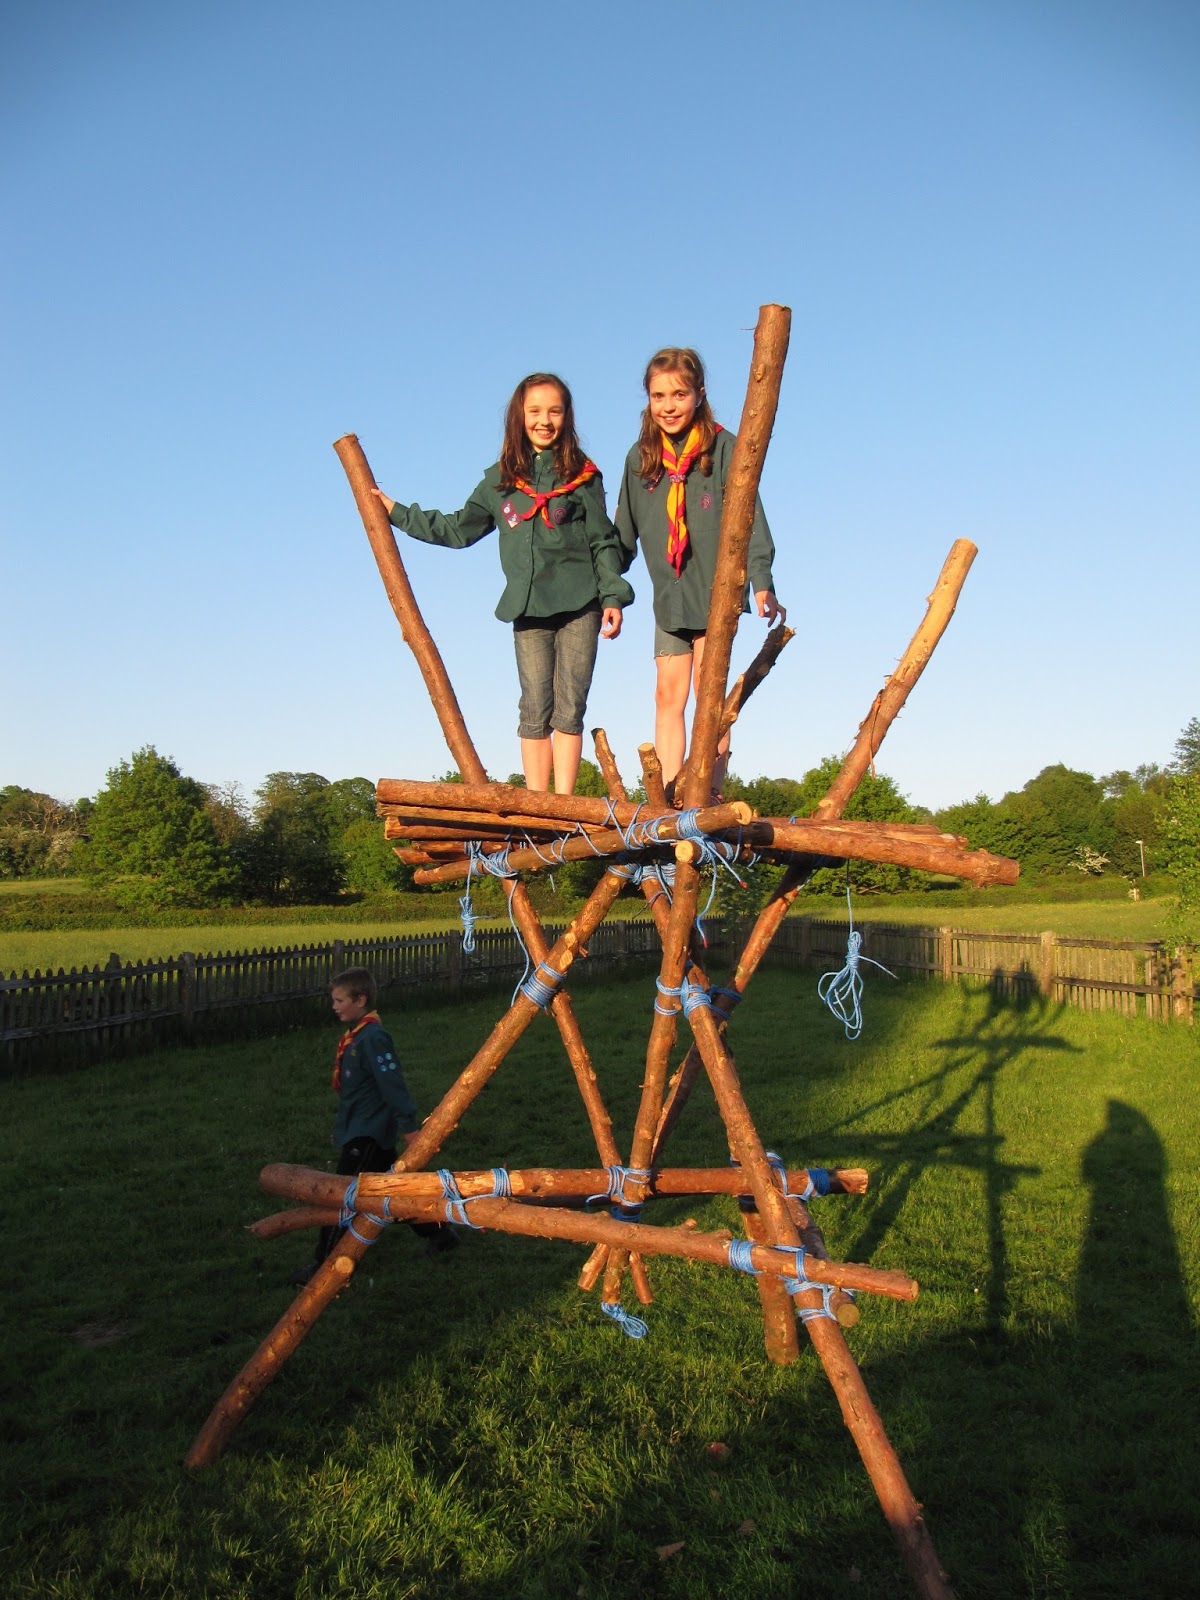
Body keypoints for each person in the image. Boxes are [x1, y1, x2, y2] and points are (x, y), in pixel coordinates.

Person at [372, 373, 633, 795]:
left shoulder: (583, 476)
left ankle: (564, 802)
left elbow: (603, 541)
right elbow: (458, 528)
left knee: (570, 705)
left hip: (581, 603)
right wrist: (397, 512)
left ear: (566, 417)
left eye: (554, 411)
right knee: (534, 706)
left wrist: (613, 597)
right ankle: (538, 803)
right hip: (528, 606)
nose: (544, 420)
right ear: (519, 417)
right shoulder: (500, 482)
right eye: (535, 411)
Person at [614, 347, 786, 795]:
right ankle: (670, 795)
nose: (669, 406)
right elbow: (622, 534)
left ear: (699, 394)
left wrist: (762, 580)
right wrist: (607, 591)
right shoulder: (640, 459)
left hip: (716, 593)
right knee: (667, 695)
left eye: (679, 395)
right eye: (658, 396)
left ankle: (708, 792)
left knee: (709, 699)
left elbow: (751, 517)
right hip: (668, 596)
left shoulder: (724, 448)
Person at [289, 966, 455, 1286]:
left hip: (368, 1133)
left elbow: (393, 1085)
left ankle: (325, 1265)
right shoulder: (357, 1035)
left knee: (342, 1195)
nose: (334, 1006)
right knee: (391, 1192)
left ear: (360, 999)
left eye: (340, 1001)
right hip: (361, 1127)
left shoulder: (374, 1038)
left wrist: (409, 1128)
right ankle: (440, 1234)